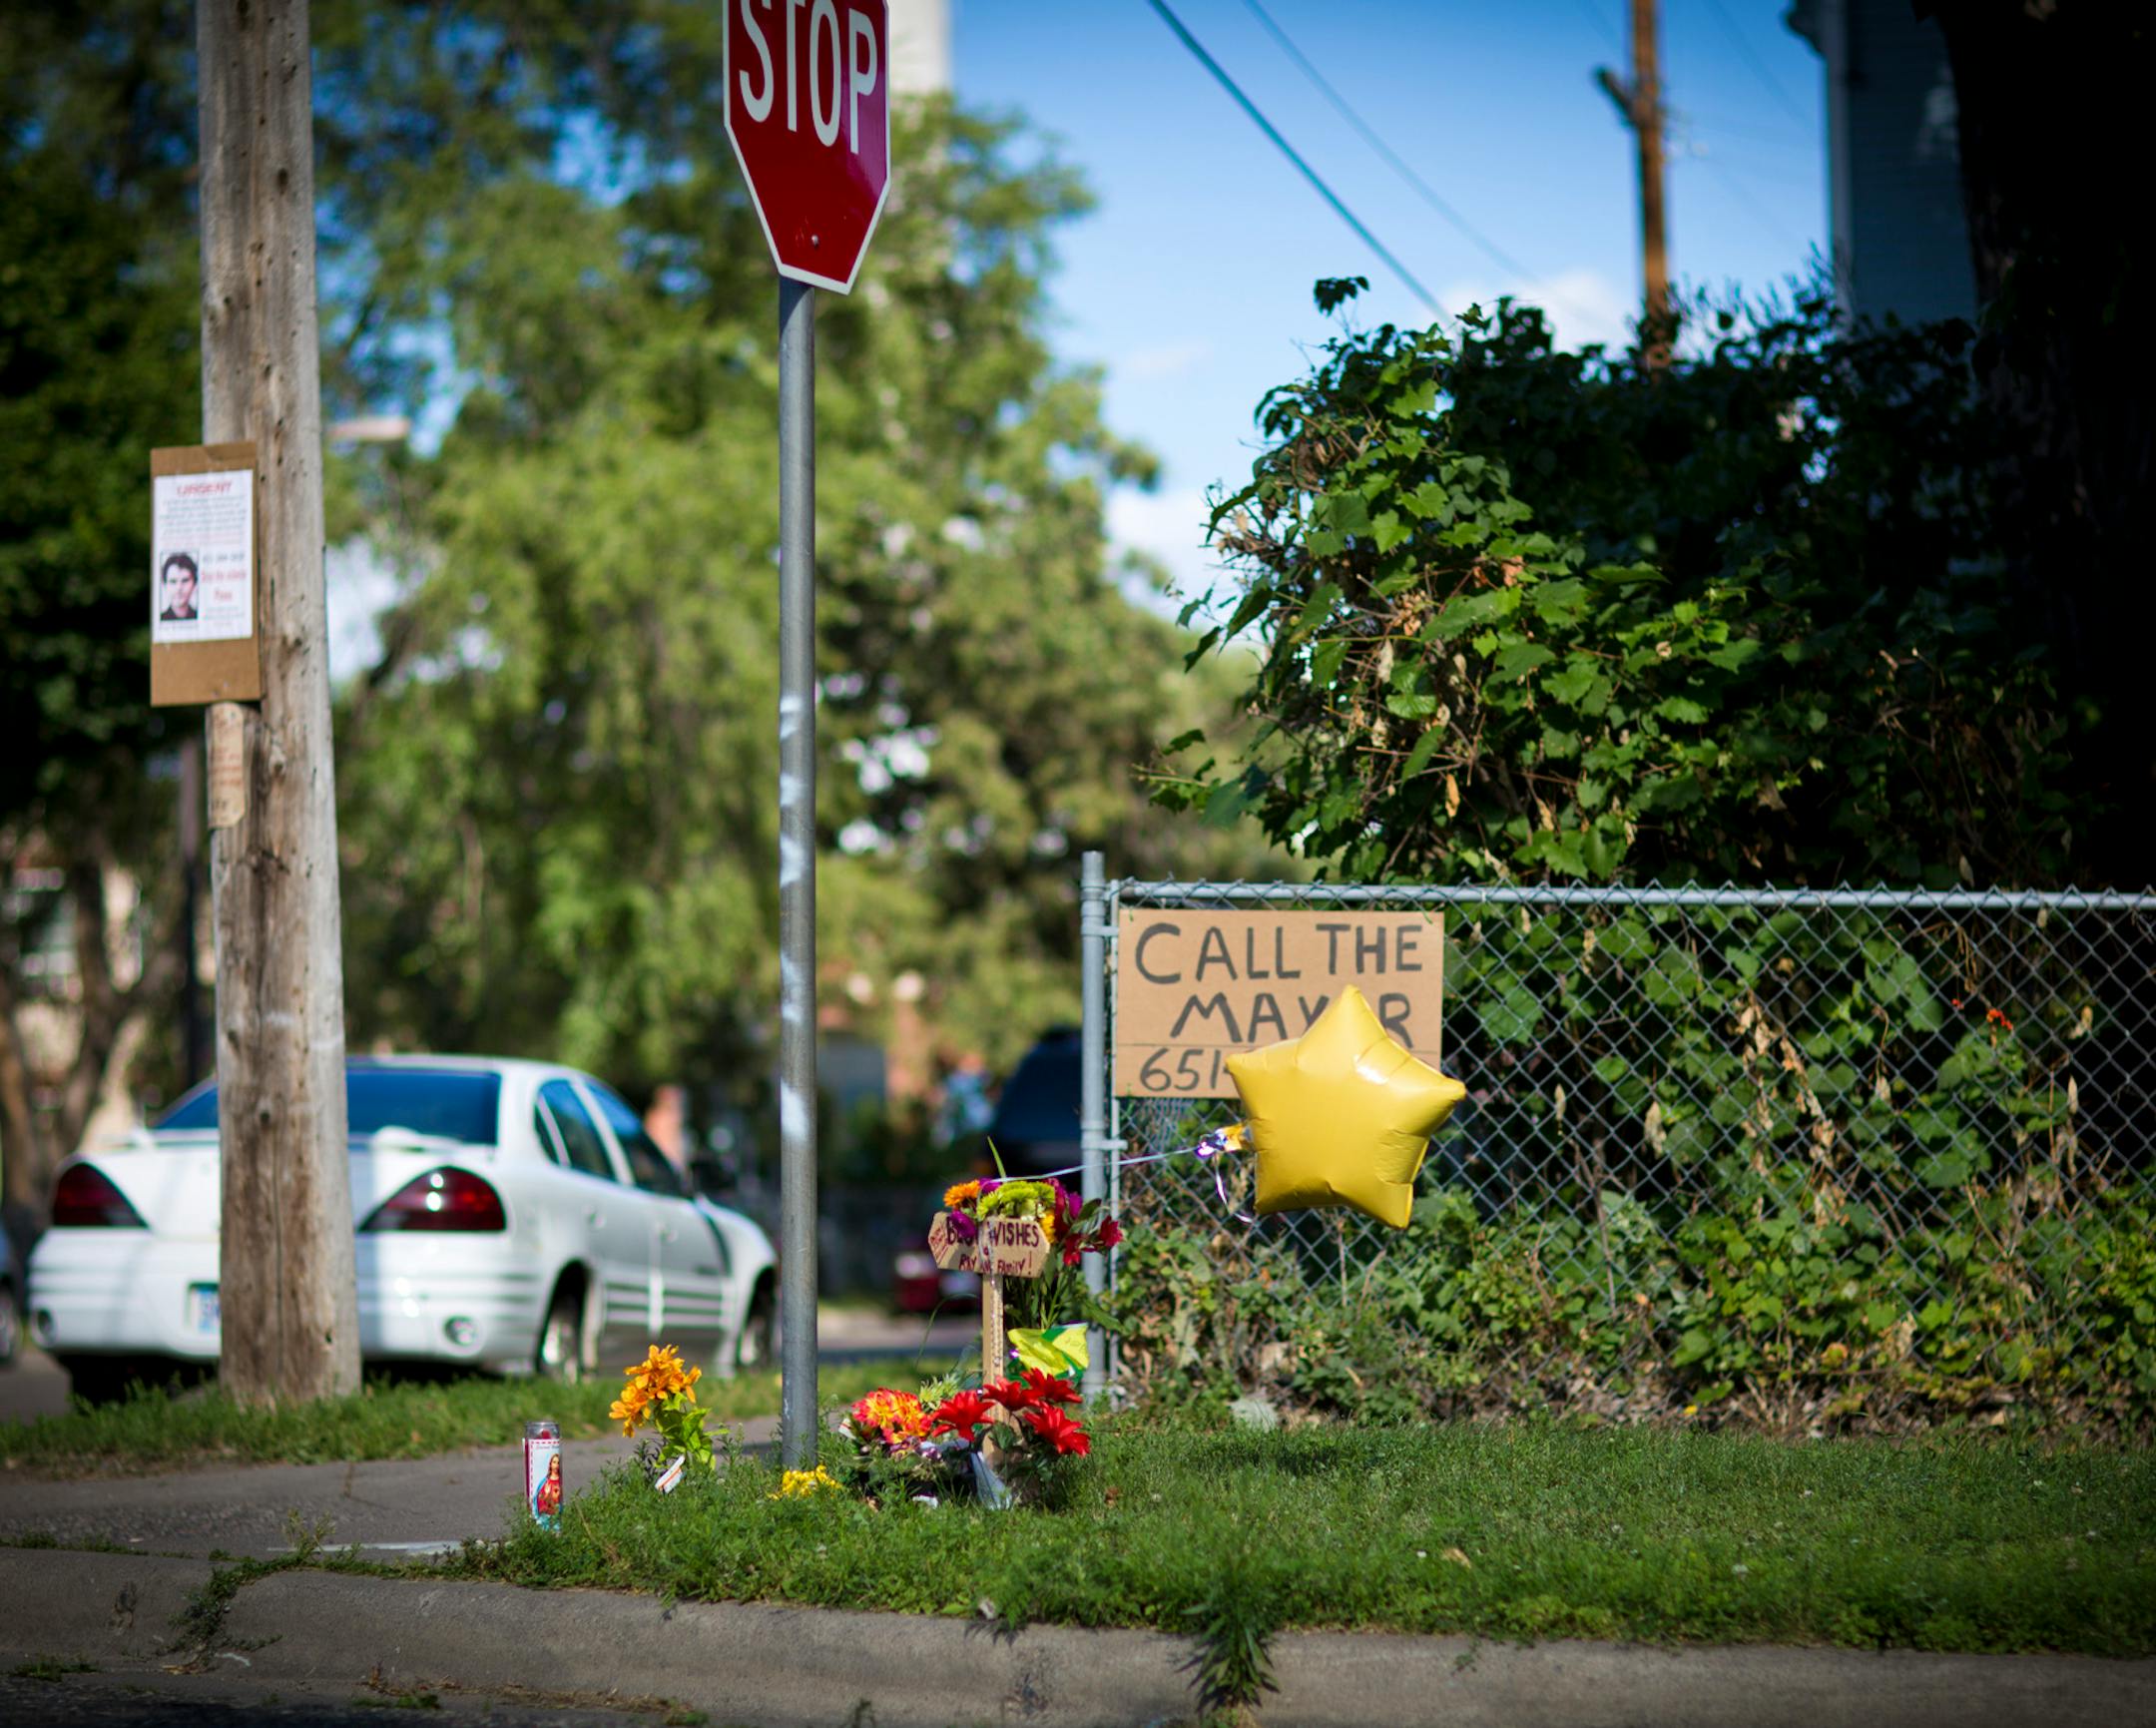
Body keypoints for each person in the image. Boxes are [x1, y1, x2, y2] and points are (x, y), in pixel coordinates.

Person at [159, 551, 199, 622]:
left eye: (185, 581)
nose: (179, 588)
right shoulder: (160, 619)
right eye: (173, 581)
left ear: (194, 584)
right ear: (164, 585)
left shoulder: (200, 617)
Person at [534, 1453, 562, 1517]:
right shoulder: (544, 1483)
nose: (556, 1465)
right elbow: (541, 1505)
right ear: (550, 1464)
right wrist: (547, 1495)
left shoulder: (561, 1481)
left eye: (558, 1463)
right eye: (554, 1462)